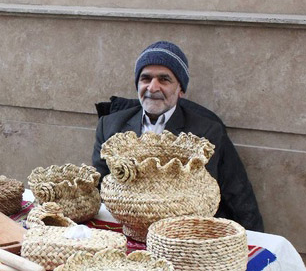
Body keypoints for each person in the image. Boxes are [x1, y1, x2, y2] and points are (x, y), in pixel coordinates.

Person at [92, 40, 264, 232]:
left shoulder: (205, 132)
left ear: (180, 89)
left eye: (164, 79)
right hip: (125, 227)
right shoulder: (110, 126)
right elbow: (98, 187)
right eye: (146, 78)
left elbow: (236, 193)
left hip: (181, 233)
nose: (152, 87)